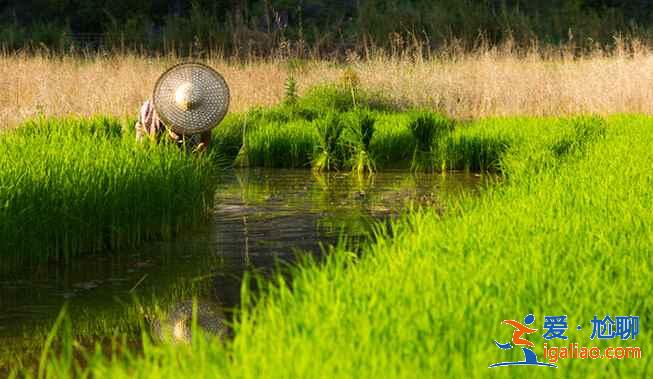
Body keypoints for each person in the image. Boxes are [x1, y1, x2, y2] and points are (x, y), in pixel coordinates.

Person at [135, 99, 212, 153]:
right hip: (146, 121)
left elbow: (206, 132)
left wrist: (203, 145)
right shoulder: (165, 112)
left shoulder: (199, 109)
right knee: (146, 149)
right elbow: (169, 135)